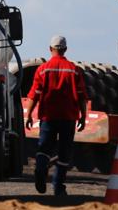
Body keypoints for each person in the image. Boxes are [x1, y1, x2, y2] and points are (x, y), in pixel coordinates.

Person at [25, 35, 87, 197]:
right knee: (64, 152)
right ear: (65, 49)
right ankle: (58, 187)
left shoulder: (43, 69)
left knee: (44, 148)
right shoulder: (74, 70)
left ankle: (40, 169)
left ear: (50, 49)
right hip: (68, 117)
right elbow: (81, 96)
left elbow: (34, 94)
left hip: (48, 116)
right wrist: (83, 116)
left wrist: (29, 115)